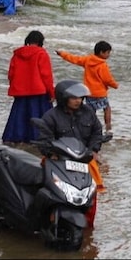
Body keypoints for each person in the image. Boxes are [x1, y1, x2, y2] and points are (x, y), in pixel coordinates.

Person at [37, 80, 106, 226]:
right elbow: (44, 140)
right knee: (43, 187)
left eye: (80, 98)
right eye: (74, 98)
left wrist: (94, 150)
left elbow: (97, 132)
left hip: (84, 159)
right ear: (63, 98)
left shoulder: (89, 113)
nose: (78, 101)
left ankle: (88, 226)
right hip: (59, 160)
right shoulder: (50, 116)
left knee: (92, 195)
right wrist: (50, 154)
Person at [2, 30, 55, 144]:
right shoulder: (42, 53)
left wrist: (14, 86)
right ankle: (36, 139)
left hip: (20, 91)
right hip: (39, 92)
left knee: (19, 116)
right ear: (41, 41)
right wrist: (51, 92)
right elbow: (46, 75)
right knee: (39, 117)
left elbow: (11, 74)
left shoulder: (17, 54)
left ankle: (16, 138)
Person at [55, 41, 119, 134]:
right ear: (101, 52)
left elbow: (74, 59)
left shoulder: (87, 60)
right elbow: (107, 79)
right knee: (107, 108)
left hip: (88, 93)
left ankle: (89, 128)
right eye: (108, 52)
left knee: (90, 112)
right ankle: (108, 127)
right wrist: (115, 85)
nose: (108, 55)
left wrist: (62, 54)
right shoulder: (102, 65)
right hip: (100, 93)